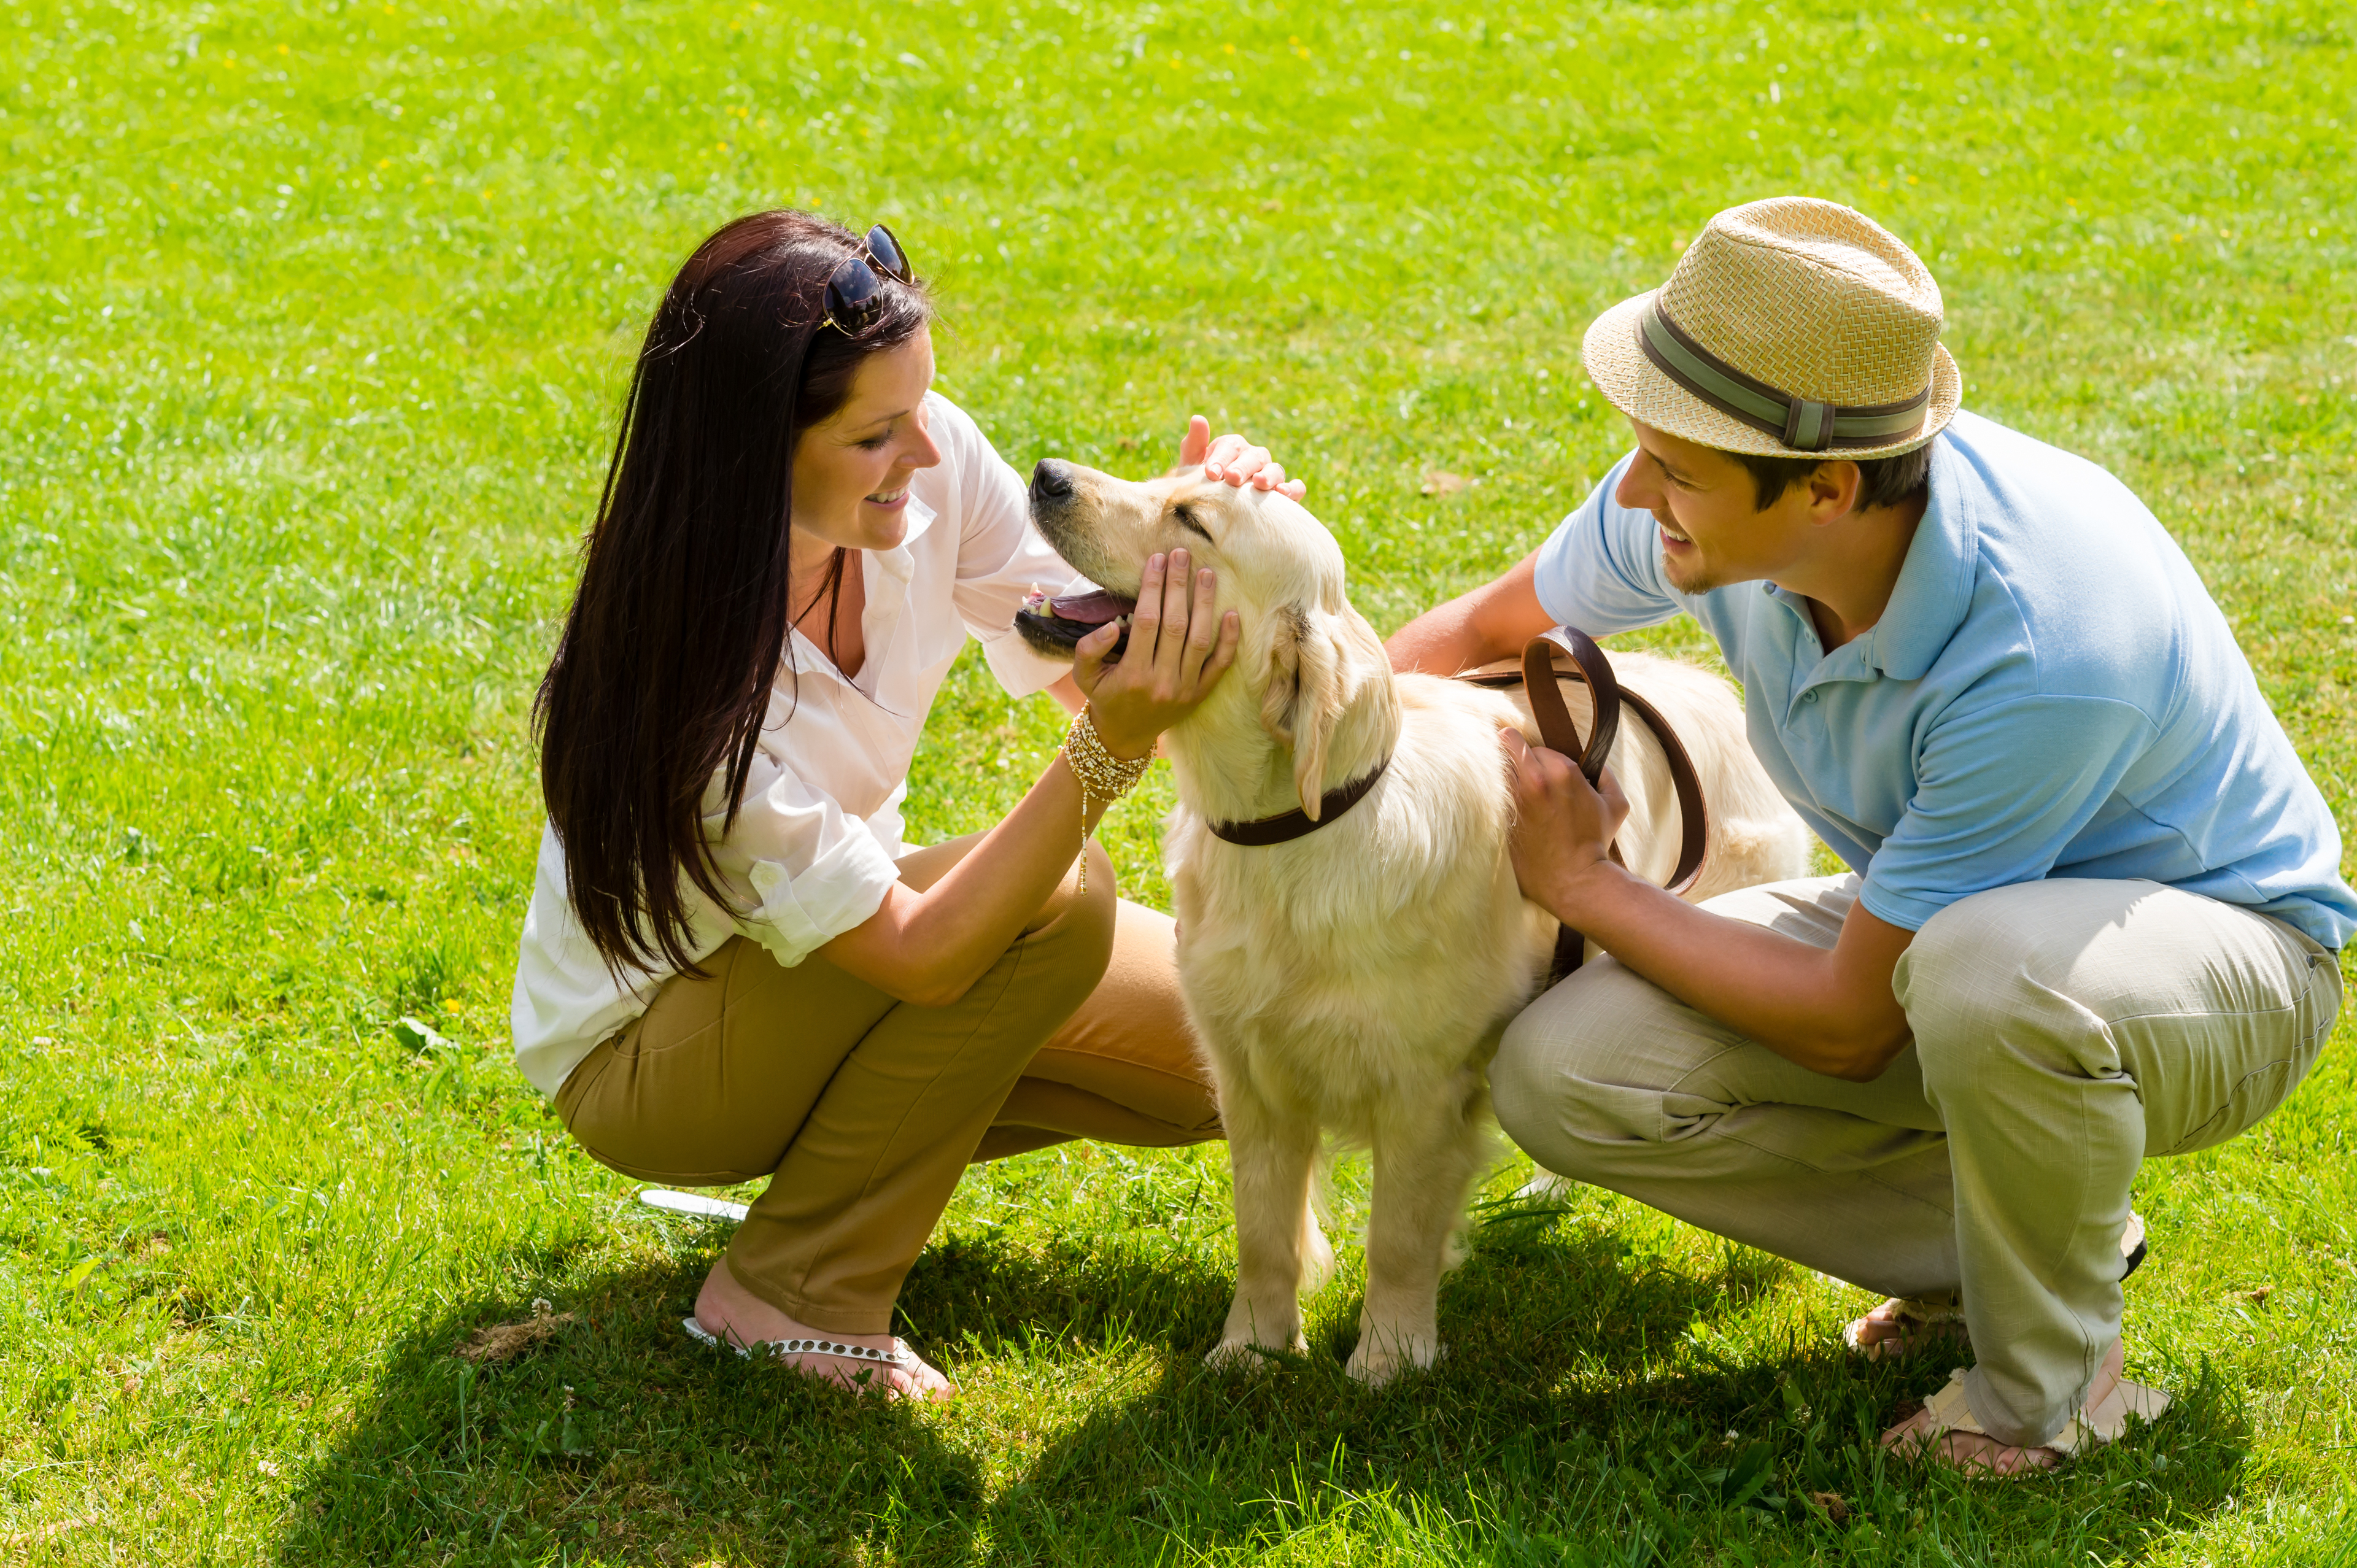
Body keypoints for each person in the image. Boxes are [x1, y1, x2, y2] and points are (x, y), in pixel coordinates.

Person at [1387, 198, 2352, 1473]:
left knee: (1983, 972)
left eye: (1673, 472)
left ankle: (2047, 1392)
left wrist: (1584, 885)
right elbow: (1472, 634)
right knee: (1562, 1070)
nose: (1634, 493)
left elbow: (1849, 1026)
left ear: (1828, 490)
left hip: (2227, 970)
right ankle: (2021, 1250)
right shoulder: (1715, 494)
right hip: (1949, 921)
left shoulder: (2046, 639)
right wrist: (1327, 798)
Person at [509, 209, 1298, 1400]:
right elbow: (925, 957)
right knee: (1056, 900)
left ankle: (849, 1173)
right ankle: (788, 1288)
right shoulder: (682, 686)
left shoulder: (918, 468)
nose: (926, 456)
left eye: (921, 411)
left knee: (1231, 1055)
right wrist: (1106, 754)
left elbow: (1079, 642)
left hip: (830, 960)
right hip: (650, 1055)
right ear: (753, 451)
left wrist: (1203, 540)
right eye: (877, 435)